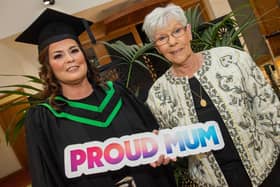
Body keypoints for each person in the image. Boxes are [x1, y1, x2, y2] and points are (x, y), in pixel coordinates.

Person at [15, 8, 177, 187]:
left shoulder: (118, 94)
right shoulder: (45, 118)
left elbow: (153, 138)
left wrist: (159, 149)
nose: (70, 59)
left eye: (74, 50)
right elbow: (47, 179)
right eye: (58, 55)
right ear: (49, 67)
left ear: (83, 55)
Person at [142, 3, 280, 187]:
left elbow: (271, 111)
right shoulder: (157, 95)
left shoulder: (233, 60)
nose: (173, 42)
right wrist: (162, 146)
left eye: (177, 31)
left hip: (268, 171)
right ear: (157, 47)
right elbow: (177, 148)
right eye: (162, 38)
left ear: (188, 32)